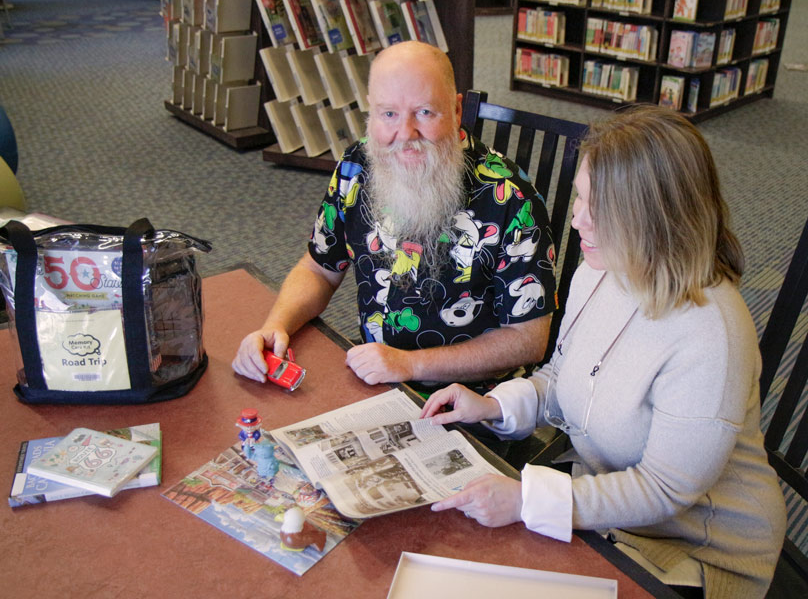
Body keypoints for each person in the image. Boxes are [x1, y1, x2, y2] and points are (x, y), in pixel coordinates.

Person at [421, 106, 786, 599]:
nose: (575, 220)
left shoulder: (711, 334)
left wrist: (530, 500)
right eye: (579, 198)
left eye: (597, 208)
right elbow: (562, 375)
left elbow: (664, 490)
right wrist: (494, 405)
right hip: (604, 504)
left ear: (653, 218)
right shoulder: (602, 267)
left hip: (694, 547)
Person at [232, 41, 556, 394]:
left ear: (457, 109)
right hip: (374, 378)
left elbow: (528, 340)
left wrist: (408, 364)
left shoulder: (511, 199)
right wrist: (276, 325)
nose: (406, 135)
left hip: (476, 400)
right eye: (389, 114)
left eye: (425, 113)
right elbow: (318, 269)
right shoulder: (358, 166)